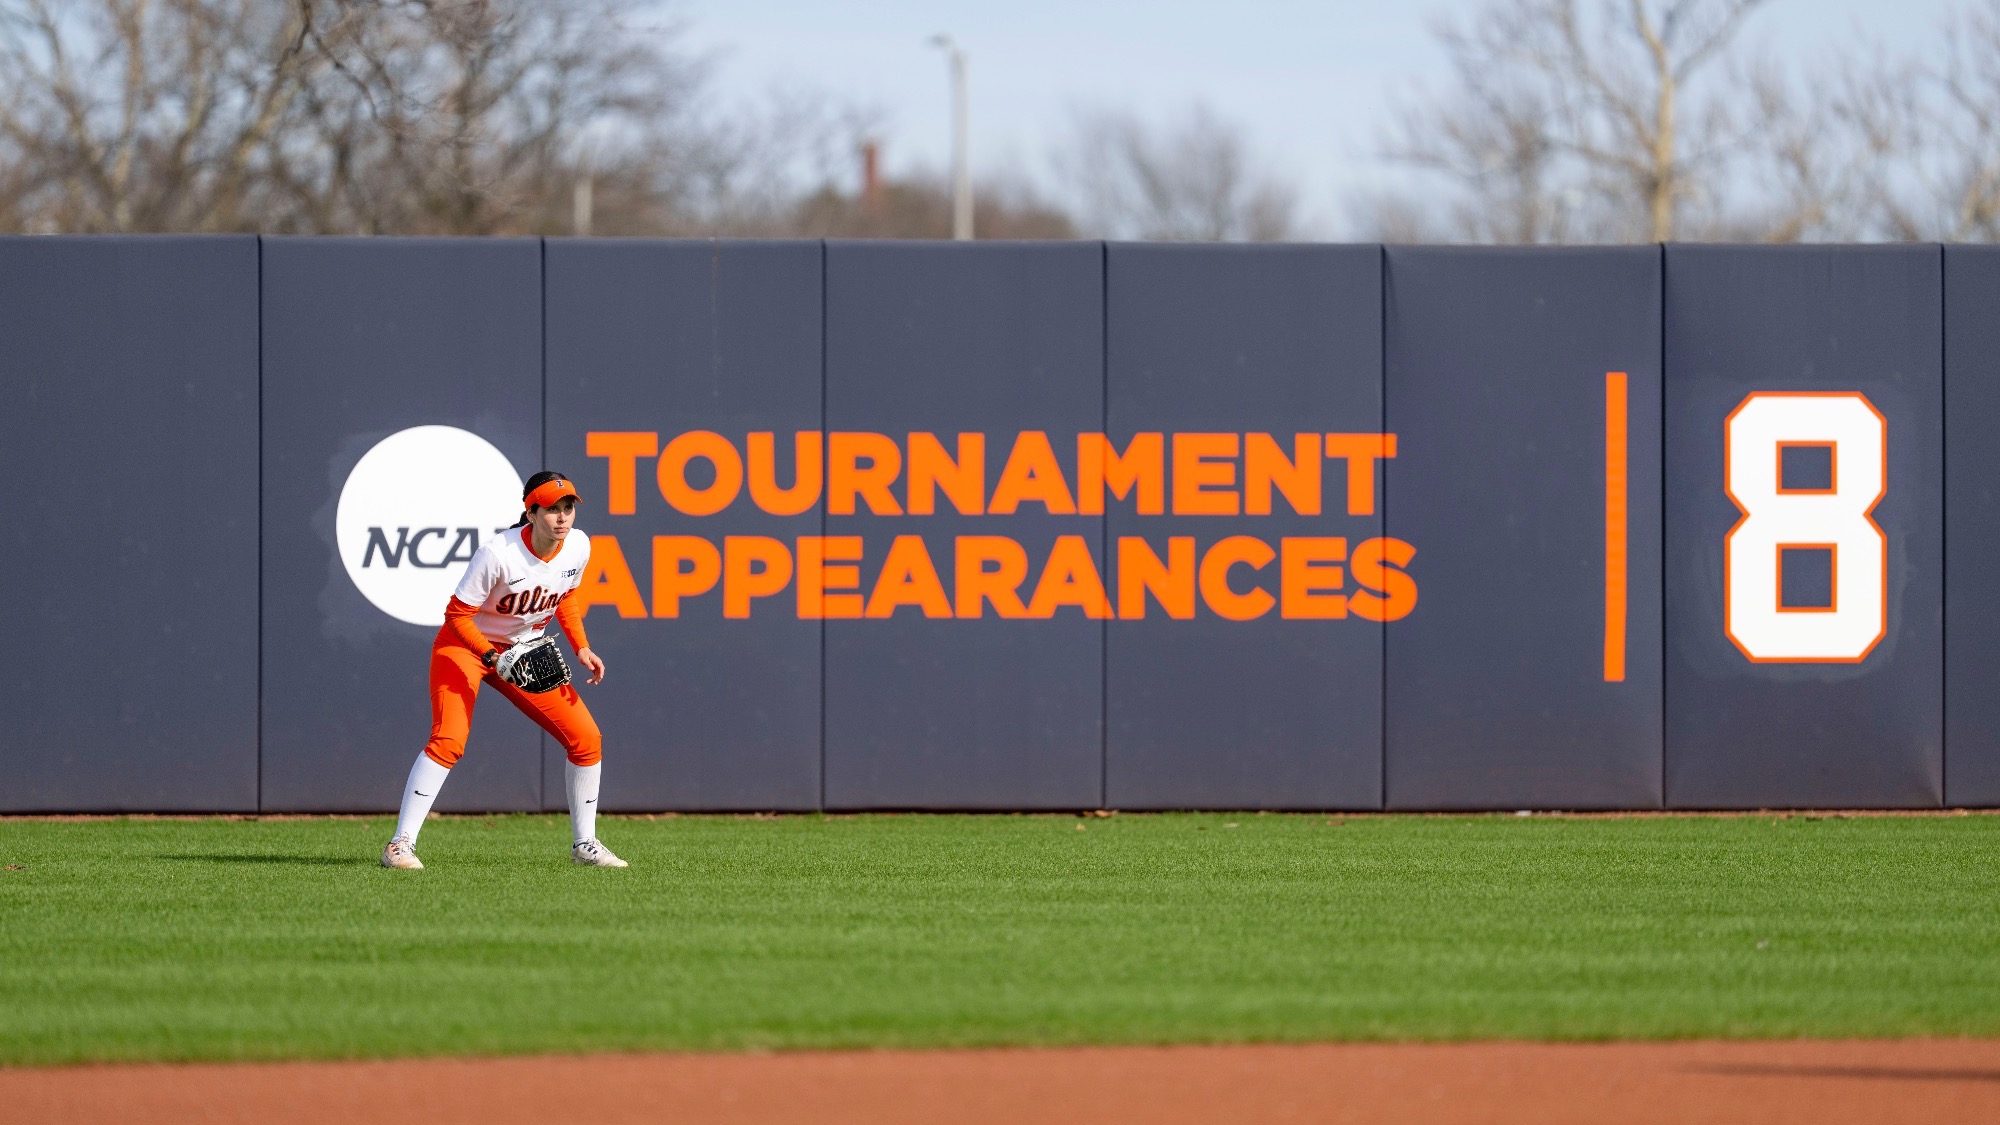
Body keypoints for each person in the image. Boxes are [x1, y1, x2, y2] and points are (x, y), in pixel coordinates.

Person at [381, 471, 626, 869]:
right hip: (465, 647)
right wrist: (492, 658)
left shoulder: (578, 546)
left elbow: (565, 595)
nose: (562, 517)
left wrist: (581, 645)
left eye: (568, 508)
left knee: (586, 738)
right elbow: (456, 616)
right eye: (551, 509)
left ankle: (586, 844)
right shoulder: (499, 553)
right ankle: (400, 844)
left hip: (523, 653)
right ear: (530, 512)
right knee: (449, 740)